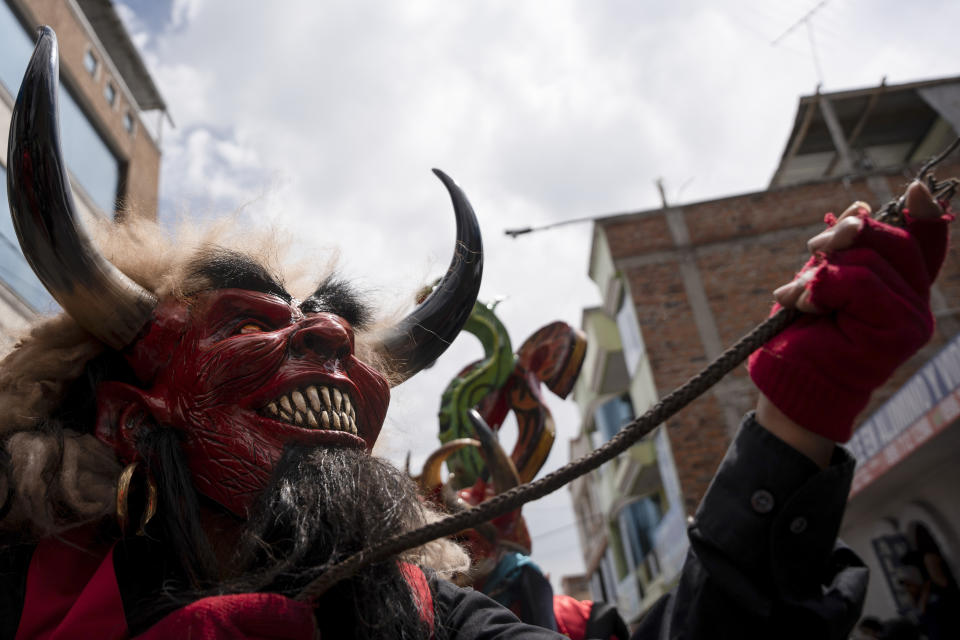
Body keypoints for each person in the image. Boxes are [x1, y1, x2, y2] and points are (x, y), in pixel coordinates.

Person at [0, 27, 952, 640]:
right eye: (253, 324)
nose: (333, 336)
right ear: (129, 419)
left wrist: (801, 413)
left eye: (333, 323)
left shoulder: (426, 619)